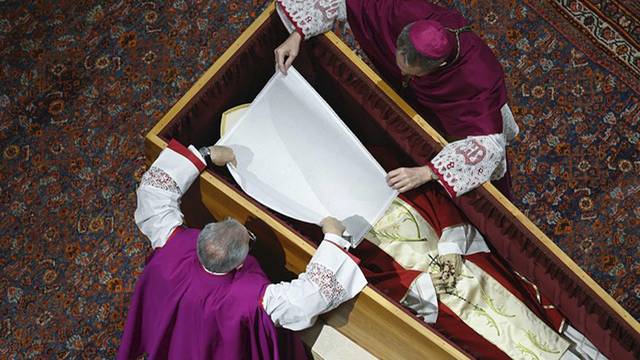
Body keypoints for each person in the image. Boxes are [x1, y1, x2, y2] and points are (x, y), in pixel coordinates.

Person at [117, 139, 367, 359]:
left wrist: (205, 154)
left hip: (181, 329)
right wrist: (334, 237)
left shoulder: (172, 244)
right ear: (239, 264)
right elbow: (308, 299)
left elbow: (154, 194)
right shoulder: (251, 298)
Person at [273, 0, 519, 199]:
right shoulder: (403, 10)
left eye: (411, 72)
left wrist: (426, 173)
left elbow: (488, 145)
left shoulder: (480, 77)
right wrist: (297, 35)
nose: (402, 73)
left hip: (451, 113)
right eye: (400, 64)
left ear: (439, 66)